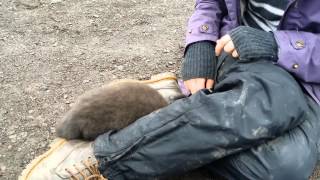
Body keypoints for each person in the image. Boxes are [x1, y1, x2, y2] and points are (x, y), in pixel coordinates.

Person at [21, 1, 320, 179]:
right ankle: (102, 160)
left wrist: (279, 45)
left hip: (307, 80)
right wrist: (201, 45)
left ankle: (168, 115)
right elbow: (210, 3)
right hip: (238, 55)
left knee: (282, 168)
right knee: (279, 98)